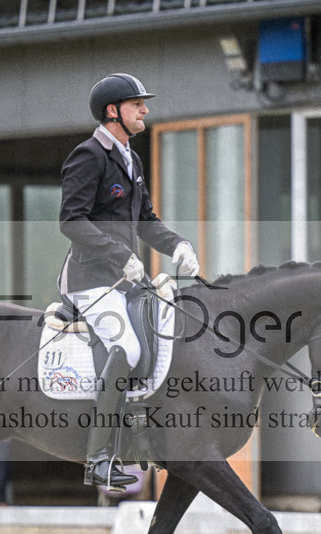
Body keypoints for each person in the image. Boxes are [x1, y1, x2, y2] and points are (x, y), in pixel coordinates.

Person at [58, 73, 200, 491]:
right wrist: (120, 255)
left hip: (123, 280)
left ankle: (144, 439)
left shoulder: (132, 160)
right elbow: (71, 222)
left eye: (143, 103)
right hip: (89, 279)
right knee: (128, 346)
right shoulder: (88, 155)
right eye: (137, 104)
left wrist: (177, 246)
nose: (145, 110)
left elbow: (147, 222)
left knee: (165, 334)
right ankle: (98, 459)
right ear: (112, 111)